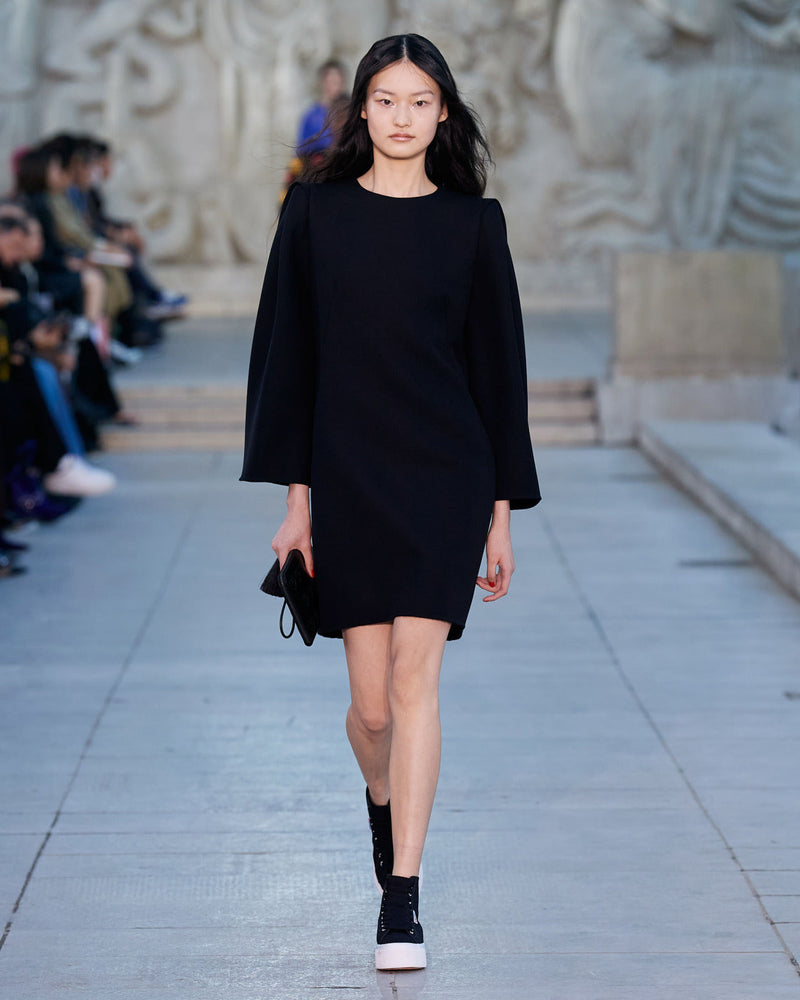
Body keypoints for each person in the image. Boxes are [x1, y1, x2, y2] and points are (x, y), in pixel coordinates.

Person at [240, 33, 541, 973]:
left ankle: (402, 896)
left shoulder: (473, 224)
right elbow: (289, 358)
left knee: (417, 686)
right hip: (348, 473)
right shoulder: (314, 214)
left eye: (419, 101)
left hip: (446, 474)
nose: (402, 116)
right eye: (385, 99)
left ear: (442, 112)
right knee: (371, 711)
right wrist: (297, 503)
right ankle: (382, 800)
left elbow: (500, 372)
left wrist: (500, 512)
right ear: (360, 110)